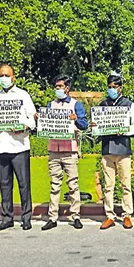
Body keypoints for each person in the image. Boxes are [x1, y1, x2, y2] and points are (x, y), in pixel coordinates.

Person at [0, 64, 37, 231]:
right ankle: (6, 217)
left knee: (24, 184)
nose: (4, 78)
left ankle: (26, 217)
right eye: (1, 75)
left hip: (19, 146)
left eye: (7, 75)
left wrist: (24, 127)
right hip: (1, 146)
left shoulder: (23, 95)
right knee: (4, 184)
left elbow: (32, 120)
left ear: (13, 77)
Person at [39, 75, 89, 231]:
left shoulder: (76, 105)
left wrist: (75, 119)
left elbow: (84, 124)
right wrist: (39, 119)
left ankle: (76, 216)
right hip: (54, 149)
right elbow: (44, 124)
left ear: (67, 88)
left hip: (70, 149)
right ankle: (52, 217)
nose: (57, 89)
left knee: (73, 185)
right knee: (54, 185)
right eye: (56, 86)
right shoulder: (51, 105)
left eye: (60, 86)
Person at [92, 74, 134, 230]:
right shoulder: (103, 104)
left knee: (126, 184)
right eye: (110, 87)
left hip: (123, 149)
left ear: (120, 88)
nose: (112, 89)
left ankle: (127, 215)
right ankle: (109, 215)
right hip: (107, 149)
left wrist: (125, 131)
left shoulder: (128, 104)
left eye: (115, 87)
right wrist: (95, 126)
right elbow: (97, 126)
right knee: (108, 186)